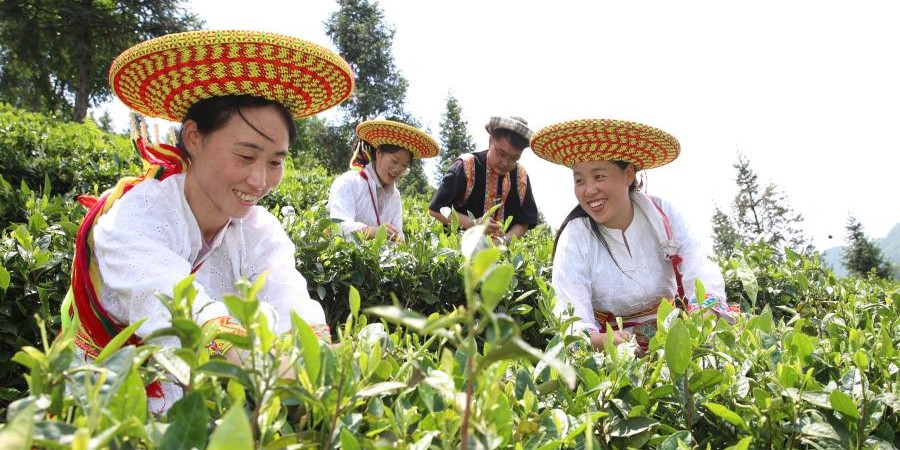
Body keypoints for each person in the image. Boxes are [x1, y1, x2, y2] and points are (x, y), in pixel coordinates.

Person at [64, 30, 354, 411]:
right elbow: (184, 315)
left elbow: (290, 304)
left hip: (204, 408)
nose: (260, 181)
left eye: (275, 162)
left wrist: (325, 363)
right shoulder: (136, 216)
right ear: (194, 138)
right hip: (111, 410)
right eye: (246, 156)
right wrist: (290, 376)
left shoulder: (259, 229)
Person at [529, 119, 736, 352]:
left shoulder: (663, 215)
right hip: (615, 357)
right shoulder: (576, 236)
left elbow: (700, 272)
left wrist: (700, 322)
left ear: (628, 175)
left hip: (677, 337)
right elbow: (572, 322)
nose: (588, 190)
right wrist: (611, 341)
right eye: (579, 180)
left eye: (599, 177)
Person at [428, 116, 539, 244]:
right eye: (501, 154)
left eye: (514, 158)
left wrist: (502, 242)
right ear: (491, 140)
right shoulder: (466, 166)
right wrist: (474, 223)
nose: (505, 163)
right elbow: (436, 209)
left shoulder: (521, 177)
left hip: (499, 257)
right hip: (458, 253)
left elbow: (524, 222)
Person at [327, 119, 439, 242]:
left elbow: (398, 233)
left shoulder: (395, 196)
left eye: (404, 166)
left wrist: (398, 239)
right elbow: (338, 226)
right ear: (379, 154)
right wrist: (374, 232)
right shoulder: (349, 182)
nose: (397, 170)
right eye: (394, 161)